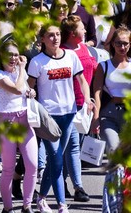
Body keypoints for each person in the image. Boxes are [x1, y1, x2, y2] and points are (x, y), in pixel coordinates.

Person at [28, 23, 95, 213]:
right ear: (42, 39)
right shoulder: (38, 61)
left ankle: (41, 198)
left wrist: (87, 100)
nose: (55, 38)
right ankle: (61, 205)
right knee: (56, 160)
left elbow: (82, 80)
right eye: (50, 35)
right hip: (48, 117)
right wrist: (29, 96)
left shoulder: (71, 56)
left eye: (57, 34)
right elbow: (30, 86)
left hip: (69, 114)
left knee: (54, 161)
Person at [0, 39, 38, 213]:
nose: (13, 58)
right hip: (7, 123)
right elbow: (17, 89)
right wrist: (22, 70)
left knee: (32, 165)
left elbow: (24, 91)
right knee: (8, 168)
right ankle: (8, 208)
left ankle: (27, 206)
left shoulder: (19, 73)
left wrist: (30, 92)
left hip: (25, 120)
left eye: (16, 55)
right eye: (9, 54)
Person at [59, 14, 96, 202]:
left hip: (85, 104)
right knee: (72, 146)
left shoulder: (84, 47)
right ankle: (77, 187)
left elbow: (92, 68)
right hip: (68, 105)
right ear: (73, 33)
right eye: (82, 28)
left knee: (73, 146)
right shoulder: (62, 51)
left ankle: (62, 182)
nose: (85, 31)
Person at [91, 26, 131, 154]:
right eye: (118, 43)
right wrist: (95, 118)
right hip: (109, 113)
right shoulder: (104, 66)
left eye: (125, 43)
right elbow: (97, 93)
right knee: (113, 150)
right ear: (113, 44)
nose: (122, 47)